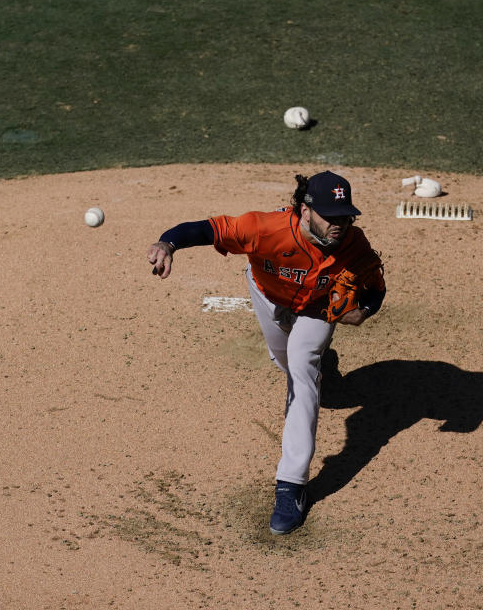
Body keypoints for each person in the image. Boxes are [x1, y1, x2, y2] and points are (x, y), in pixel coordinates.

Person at [146, 171, 386, 534]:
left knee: (302, 369)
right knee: (286, 358)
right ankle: (320, 365)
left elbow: (376, 289)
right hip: (267, 295)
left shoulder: (355, 244)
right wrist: (167, 245)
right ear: (305, 210)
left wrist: (363, 311)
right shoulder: (263, 228)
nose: (340, 225)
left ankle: (291, 485)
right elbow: (207, 229)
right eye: (330, 216)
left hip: (317, 309)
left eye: (345, 216)